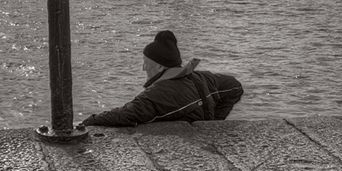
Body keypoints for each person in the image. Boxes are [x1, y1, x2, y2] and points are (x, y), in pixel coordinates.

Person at [80, 30, 243, 127]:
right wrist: (214, 122)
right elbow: (235, 87)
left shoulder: (158, 93)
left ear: (159, 66)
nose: (143, 68)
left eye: (146, 63)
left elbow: (126, 114)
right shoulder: (201, 77)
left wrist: (89, 122)